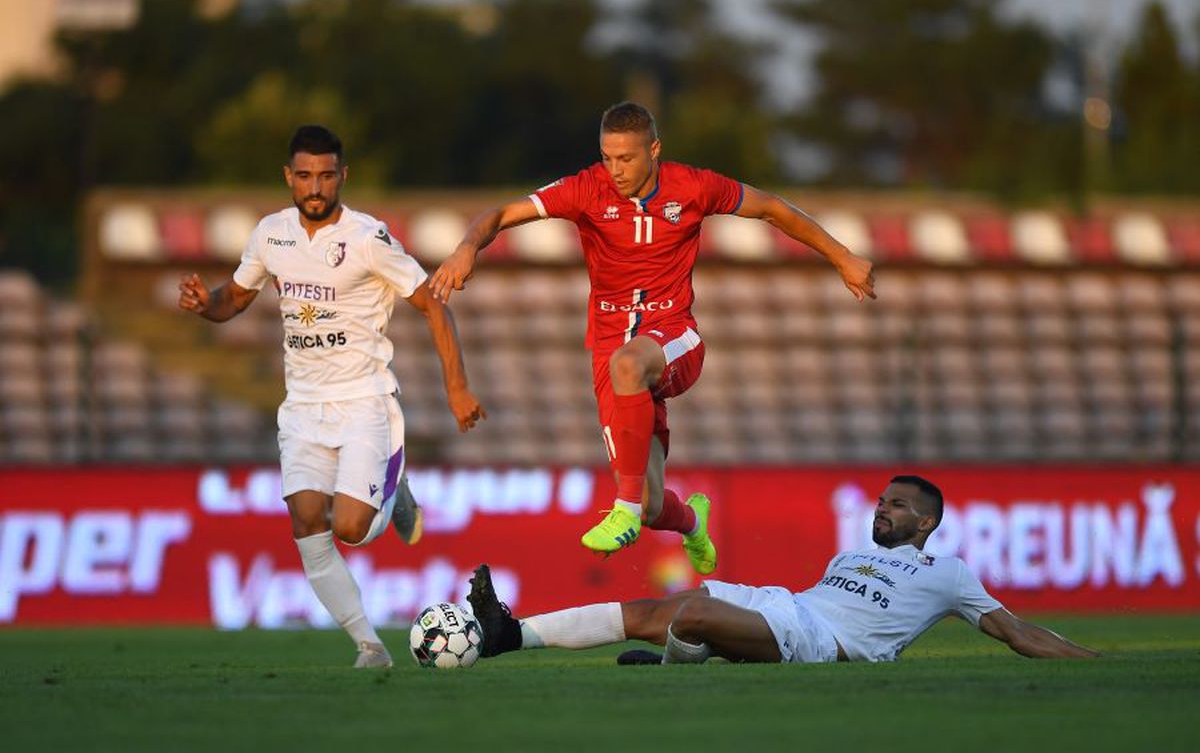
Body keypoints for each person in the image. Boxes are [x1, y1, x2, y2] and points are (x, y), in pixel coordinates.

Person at [430, 101, 876, 572]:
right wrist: (465, 248)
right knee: (649, 502)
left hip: (674, 336)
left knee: (629, 369)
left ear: (654, 150)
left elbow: (769, 208)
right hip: (610, 351)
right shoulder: (586, 189)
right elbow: (501, 214)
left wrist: (842, 256)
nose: (615, 170)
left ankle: (619, 509)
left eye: (626, 158)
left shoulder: (694, 186)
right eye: (607, 157)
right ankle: (691, 524)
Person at [179, 125, 485, 668]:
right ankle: (369, 645)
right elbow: (236, 298)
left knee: (351, 528)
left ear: (343, 175)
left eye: (325, 175)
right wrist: (207, 303)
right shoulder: (270, 235)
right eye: (304, 176)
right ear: (288, 177)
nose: (314, 186)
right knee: (305, 522)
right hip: (302, 407)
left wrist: (456, 387)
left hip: (364, 400)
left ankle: (395, 497)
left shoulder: (369, 238)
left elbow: (434, 305)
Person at [464, 476, 1099, 665]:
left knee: (694, 616)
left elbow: (1016, 632)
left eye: (898, 506)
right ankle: (506, 635)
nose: (883, 509)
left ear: (927, 523)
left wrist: (1093, 662)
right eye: (881, 500)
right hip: (787, 606)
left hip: (827, 644)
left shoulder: (950, 572)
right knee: (658, 608)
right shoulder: (850, 555)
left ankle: (684, 659)